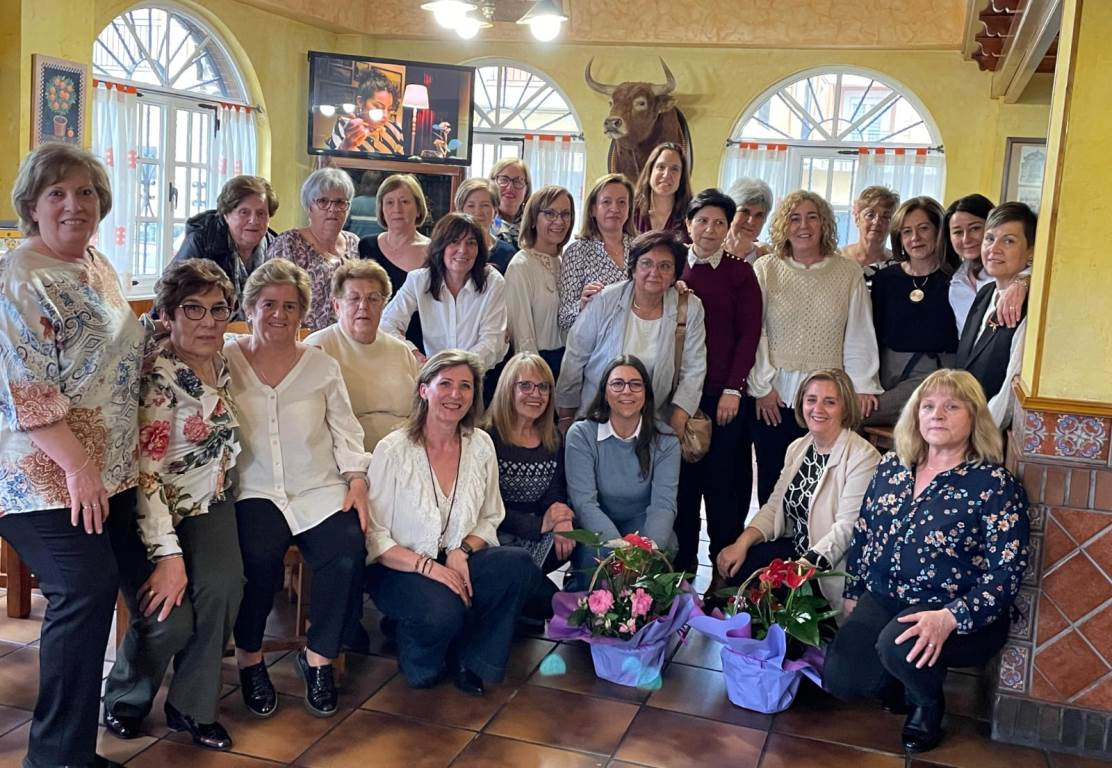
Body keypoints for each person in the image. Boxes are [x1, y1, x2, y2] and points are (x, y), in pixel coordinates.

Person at [0, 143, 143, 768]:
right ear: (32, 205)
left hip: (107, 470)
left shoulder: (98, 263)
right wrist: (80, 468)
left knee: (128, 583)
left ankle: (77, 748)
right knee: (84, 587)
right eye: (57, 193)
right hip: (38, 474)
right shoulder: (17, 277)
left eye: (85, 192)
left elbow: (112, 355)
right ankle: (55, 758)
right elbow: (26, 392)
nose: (73, 204)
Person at [825, 369, 1029, 754]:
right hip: (887, 595)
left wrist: (950, 616)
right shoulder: (892, 468)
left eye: (952, 406)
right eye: (929, 406)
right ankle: (903, 678)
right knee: (843, 680)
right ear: (915, 416)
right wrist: (854, 591)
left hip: (955, 610)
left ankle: (927, 703)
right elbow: (865, 532)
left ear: (974, 418)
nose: (938, 414)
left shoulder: (993, 484)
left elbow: (1006, 573)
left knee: (898, 645)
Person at [104, 260, 243, 751]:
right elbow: (146, 476)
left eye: (218, 309)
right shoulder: (160, 379)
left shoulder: (224, 363)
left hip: (207, 502)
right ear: (167, 314)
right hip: (150, 512)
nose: (208, 321)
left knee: (223, 588)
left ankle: (192, 706)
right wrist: (169, 556)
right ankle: (125, 697)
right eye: (193, 309)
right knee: (168, 617)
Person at [225, 259, 370, 718]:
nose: (279, 315)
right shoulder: (225, 357)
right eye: (268, 304)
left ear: (303, 313)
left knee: (346, 548)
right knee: (258, 556)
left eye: (290, 306)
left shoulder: (320, 364)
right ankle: (250, 659)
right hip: (254, 488)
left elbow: (345, 430)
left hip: (317, 487)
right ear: (250, 307)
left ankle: (319, 658)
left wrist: (357, 479)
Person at [365, 351, 535, 695]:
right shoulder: (392, 450)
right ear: (424, 389)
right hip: (400, 568)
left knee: (516, 564)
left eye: (465, 386)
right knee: (440, 615)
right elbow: (375, 536)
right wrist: (429, 567)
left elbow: (491, 516)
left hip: (458, 558)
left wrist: (462, 550)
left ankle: (472, 659)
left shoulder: (481, 445)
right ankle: (418, 650)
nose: (455, 395)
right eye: (445, 384)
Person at [749, 190, 882, 505]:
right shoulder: (766, 269)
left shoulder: (847, 272)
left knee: (822, 480)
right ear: (783, 225)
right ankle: (774, 550)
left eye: (812, 217)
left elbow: (859, 331)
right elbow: (756, 331)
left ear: (824, 224)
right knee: (773, 476)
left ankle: (814, 551)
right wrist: (762, 386)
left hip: (827, 397)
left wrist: (862, 384)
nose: (803, 226)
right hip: (775, 394)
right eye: (794, 218)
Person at [715, 370, 880, 616]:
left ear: (846, 409)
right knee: (741, 567)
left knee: (773, 594)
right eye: (811, 399)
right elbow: (774, 507)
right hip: (797, 548)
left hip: (828, 566)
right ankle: (754, 648)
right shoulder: (799, 447)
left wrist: (798, 569)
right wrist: (741, 543)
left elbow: (846, 530)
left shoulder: (863, 457)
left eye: (830, 402)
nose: (818, 408)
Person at [674, 189, 762, 575]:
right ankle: (681, 571)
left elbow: (749, 334)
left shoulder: (740, 272)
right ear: (688, 224)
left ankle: (725, 579)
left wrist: (733, 388)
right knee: (680, 489)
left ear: (728, 228)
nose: (710, 229)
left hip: (722, 397)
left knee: (724, 488)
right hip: (677, 398)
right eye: (703, 220)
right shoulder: (671, 266)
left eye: (719, 222)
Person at [556, 230, 706, 439]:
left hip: (655, 422)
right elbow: (575, 356)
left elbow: (694, 369)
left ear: (674, 275)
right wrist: (566, 413)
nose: (654, 272)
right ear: (633, 268)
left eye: (664, 266)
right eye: (646, 263)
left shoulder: (690, 308)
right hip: (596, 416)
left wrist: (678, 420)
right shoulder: (605, 300)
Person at [564, 356, 681, 590]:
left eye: (635, 384)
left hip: (642, 523)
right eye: (617, 384)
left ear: (646, 394)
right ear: (605, 393)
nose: (626, 391)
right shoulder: (581, 435)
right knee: (595, 554)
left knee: (666, 545)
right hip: (594, 526)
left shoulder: (666, 441)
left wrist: (646, 551)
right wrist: (621, 550)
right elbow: (584, 503)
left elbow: (663, 505)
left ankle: (643, 615)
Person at [484, 353, 573, 621]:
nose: (536, 394)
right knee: (549, 605)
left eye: (543, 386)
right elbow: (484, 507)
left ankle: (515, 598)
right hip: (494, 533)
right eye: (526, 385)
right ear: (507, 389)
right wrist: (537, 526)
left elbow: (555, 489)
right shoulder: (487, 438)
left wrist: (560, 515)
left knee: (574, 537)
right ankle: (520, 600)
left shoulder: (553, 437)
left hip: (536, 531)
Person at [304, 260, 418, 451]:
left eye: (373, 298)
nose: (363, 306)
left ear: (384, 304)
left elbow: (417, 413)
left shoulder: (400, 350)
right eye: (354, 298)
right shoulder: (318, 347)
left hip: (403, 455)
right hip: (346, 459)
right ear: (337, 306)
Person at [866, 197, 959, 426]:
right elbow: (872, 334)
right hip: (885, 372)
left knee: (853, 416)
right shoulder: (885, 279)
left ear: (939, 230)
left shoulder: (957, 279)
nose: (914, 238)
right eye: (906, 231)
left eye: (923, 228)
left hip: (933, 378)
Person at [380, 213, 508, 373]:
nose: (463, 250)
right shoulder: (419, 280)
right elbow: (386, 324)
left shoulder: (493, 282)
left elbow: (493, 341)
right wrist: (414, 354)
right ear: (441, 246)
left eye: (471, 243)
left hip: (479, 375)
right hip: (432, 376)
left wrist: (458, 369)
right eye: (454, 242)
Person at [955, 202, 1036, 429]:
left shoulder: (1031, 307)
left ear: (1030, 251)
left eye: (1008, 241)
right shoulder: (985, 293)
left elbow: (1009, 389)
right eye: (990, 239)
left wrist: (981, 434)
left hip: (986, 435)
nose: (994, 249)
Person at [172, 175, 279, 319]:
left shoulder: (276, 247)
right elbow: (169, 296)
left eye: (261, 213)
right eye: (244, 212)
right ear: (226, 215)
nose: (254, 220)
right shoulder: (202, 242)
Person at [266, 168, 358, 331]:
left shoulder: (355, 243)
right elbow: (272, 300)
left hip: (347, 341)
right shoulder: (289, 244)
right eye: (323, 201)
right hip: (300, 341)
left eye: (339, 202)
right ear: (309, 207)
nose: (332, 209)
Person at [505, 185, 574, 381]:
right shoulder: (521, 266)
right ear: (534, 218)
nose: (559, 221)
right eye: (550, 214)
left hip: (569, 365)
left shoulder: (567, 263)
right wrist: (535, 379)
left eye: (565, 214)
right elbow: (522, 336)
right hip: (538, 366)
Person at [358, 173, 431, 350]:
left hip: (421, 347)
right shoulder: (366, 246)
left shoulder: (434, 252)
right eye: (389, 202)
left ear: (419, 208)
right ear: (381, 209)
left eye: (404, 202)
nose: (396, 209)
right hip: (373, 344)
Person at [557, 173, 636, 331]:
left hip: (637, 342)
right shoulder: (577, 253)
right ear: (593, 209)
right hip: (594, 349)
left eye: (622, 202)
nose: (615, 208)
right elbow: (564, 319)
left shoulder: (641, 248)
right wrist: (582, 304)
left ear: (629, 209)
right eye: (606, 202)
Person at [944, 193, 1026, 335]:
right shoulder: (956, 283)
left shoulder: (1012, 274)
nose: (966, 239)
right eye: (957, 232)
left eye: (975, 228)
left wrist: (1023, 282)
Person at [326, 66, 405, 155]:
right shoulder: (347, 126)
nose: (385, 116)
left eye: (390, 109)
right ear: (360, 102)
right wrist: (346, 144)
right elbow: (332, 165)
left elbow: (400, 165)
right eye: (378, 107)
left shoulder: (395, 130)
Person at [456, 177, 516, 273]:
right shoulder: (449, 250)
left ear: (495, 210)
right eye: (471, 206)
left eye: (485, 205)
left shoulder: (507, 253)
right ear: (460, 210)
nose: (478, 212)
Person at [632, 142, 692, 239]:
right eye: (661, 167)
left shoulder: (692, 216)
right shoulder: (630, 211)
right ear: (650, 171)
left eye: (674, 169)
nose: (666, 174)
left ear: (682, 177)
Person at [842, 186, 899, 282]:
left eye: (885, 216)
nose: (877, 221)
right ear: (857, 218)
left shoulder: (900, 265)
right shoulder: (837, 259)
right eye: (870, 215)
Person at [723, 177, 774, 263]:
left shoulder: (767, 259)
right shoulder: (710, 252)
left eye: (759, 215)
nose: (751, 221)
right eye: (745, 211)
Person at [489, 158, 531, 249]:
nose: (510, 188)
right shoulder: (482, 223)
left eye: (518, 181)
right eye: (504, 180)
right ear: (491, 184)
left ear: (526, 189)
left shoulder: (535, 227)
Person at [345, 170, 385, 239]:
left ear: (363, 184)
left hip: (356, 247)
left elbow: (344, 230)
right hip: (378, 247)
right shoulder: (384, 205)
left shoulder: (352, 203)